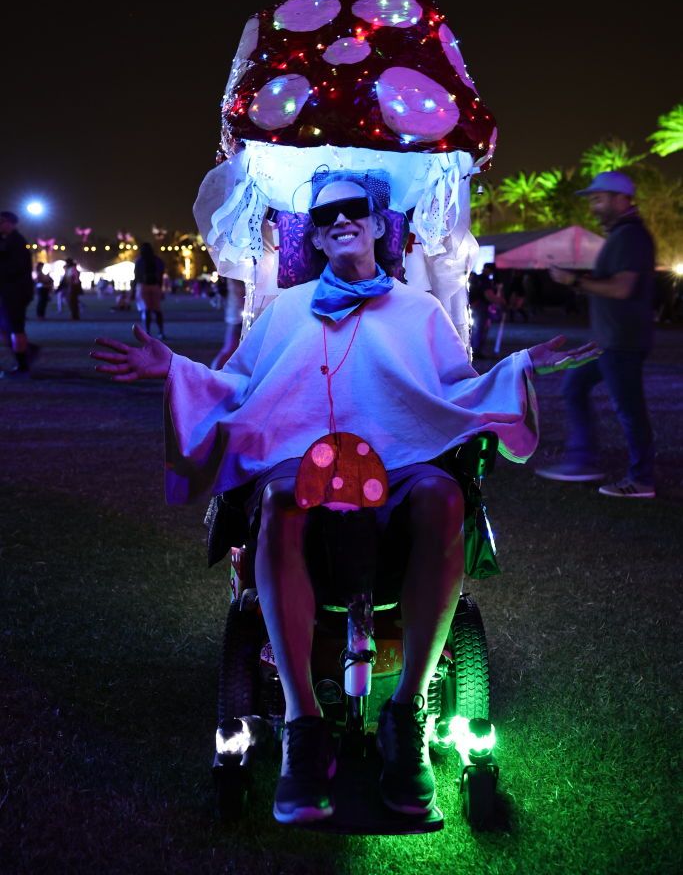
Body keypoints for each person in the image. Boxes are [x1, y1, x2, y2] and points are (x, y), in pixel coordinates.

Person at [92, 175, 598, 824]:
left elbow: (456, 393)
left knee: (442, 496)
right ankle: (303, 726)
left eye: (352, 211)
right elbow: (240, 386)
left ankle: (406, 712)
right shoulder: (285, 312)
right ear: (314, 229)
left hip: (400, 469)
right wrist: (174, 371)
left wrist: (520, 366)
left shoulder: (419, 312)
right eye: (325, 213)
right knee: (279, 500)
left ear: (377, 223)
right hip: (303, 472)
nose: (339, 221)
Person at [535, 171, 656, 498]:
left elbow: (621, 288)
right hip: (611, 340)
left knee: (629, 409)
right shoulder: (622, 235)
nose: (593, 206)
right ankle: (582, 460)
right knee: (574, 385)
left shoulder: (630, 236)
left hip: (623, 342)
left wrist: (572, 281)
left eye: (598, 199)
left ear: (621, 199)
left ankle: (641, 479)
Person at [0, 210, 40, 379]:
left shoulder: (16, 242)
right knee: (5, 328)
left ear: (11, 223)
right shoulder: (7, 241)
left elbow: (14, 269)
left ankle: (23, 368)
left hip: (15, 293)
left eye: (2, 221)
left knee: (16, 329)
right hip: (8, 292)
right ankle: (28, 350)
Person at [469, 262, 505, 360]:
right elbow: (488, 295)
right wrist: (501, 301)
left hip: (473, 305)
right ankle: (476, 351)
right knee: (480, 329)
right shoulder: (485, 280)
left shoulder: (477, 278)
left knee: (475, 329)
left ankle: (473, 350)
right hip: (480, 306)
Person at [211, 277, 245, 369]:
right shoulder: (235, 276)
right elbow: (239, 292)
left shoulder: (232, 275)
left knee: (232, 348)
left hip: (236, 314)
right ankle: (215, 369)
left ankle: (216, 369)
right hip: (237, 316)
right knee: (230, 348)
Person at [133, 242, 166, 339]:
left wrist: (133, 290)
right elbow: (160, 275)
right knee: (157, 310)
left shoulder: (139, 261)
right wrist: (160, 288)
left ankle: (148, 332)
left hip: (144, 286)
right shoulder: (157, 260)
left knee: (147, 310)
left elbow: (137, 276)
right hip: (154, 285)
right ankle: (160, 332)